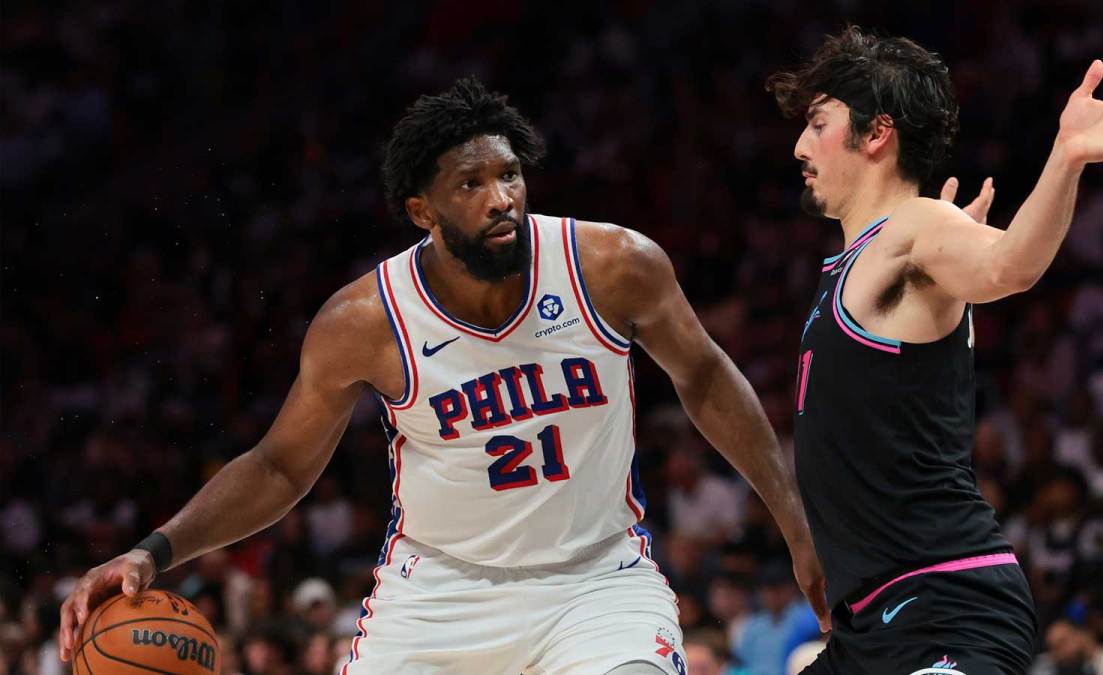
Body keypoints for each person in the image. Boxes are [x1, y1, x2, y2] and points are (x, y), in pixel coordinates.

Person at [57, 77, 828, 674]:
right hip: (438, 593)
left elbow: (704, 378)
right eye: (471, 184)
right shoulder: (364, 321)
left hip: (595, 577)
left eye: (510, 175)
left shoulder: (614, 265)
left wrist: (798, 525)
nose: (502, 199)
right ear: (422, 211)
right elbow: (280, 463)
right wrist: (152, 552)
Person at [767, 26, 1103, 674]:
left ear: (876, 134)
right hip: (871, 622)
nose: (799, 146)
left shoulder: (914, 225)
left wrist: (1066, 156)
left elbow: (1009, 267)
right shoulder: (868, 258)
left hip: (947, 604)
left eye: (818, 123)